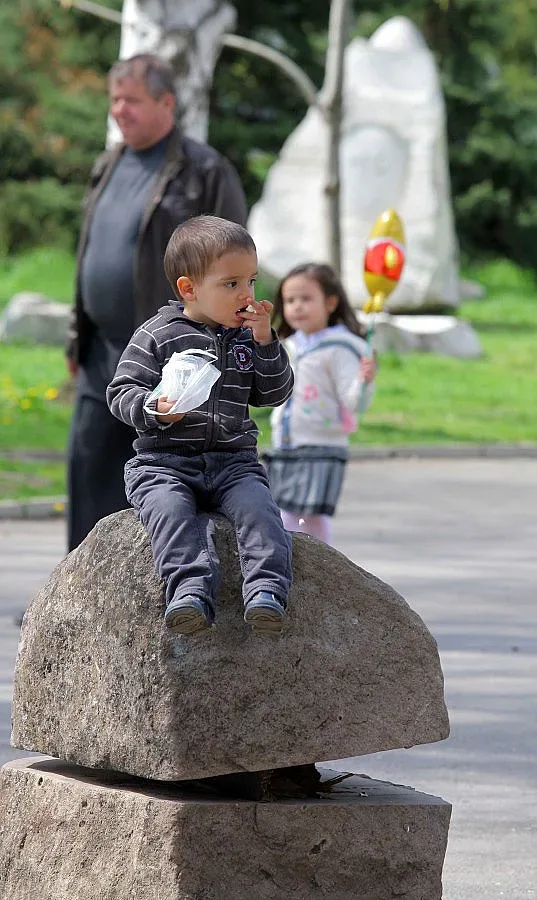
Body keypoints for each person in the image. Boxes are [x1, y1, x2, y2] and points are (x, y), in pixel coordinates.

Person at [65, 53, 248, 552]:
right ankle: (75, 596)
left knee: (161, 474)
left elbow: (232, 262)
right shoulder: (109, 163)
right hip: (102, 349)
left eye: (131, 100)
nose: (119, 111)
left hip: (170, 354)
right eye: (114, 100)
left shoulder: (205, 170)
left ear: (166, 103)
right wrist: (75, 332)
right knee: (88, 467)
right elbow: (89, 252)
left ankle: (156, 591)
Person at [106, 215, 293, 638]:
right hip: (165, 462)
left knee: (260, 511)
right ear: (189, 289)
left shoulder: (248, 336)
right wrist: (154, 408)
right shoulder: (157, 334)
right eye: (231, 284)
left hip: (233, 461)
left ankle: (266, 592)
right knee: (170, 513)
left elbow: (273, 393)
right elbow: (120, 392)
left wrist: (266, 342)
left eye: (251, 281)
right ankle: (189, 592)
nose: (247, 295)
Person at [266, 262, 377, 547]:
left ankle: (318, 569)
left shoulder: (340, 348)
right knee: (284, 511)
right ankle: (295, 566)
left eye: (306, 299)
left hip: (321, 445)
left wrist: (364, 381)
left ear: (330, 302)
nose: (297, 307)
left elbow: (354, 402)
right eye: (290, 300)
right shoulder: (287, 346)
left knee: (308, 516)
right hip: (288, 443)